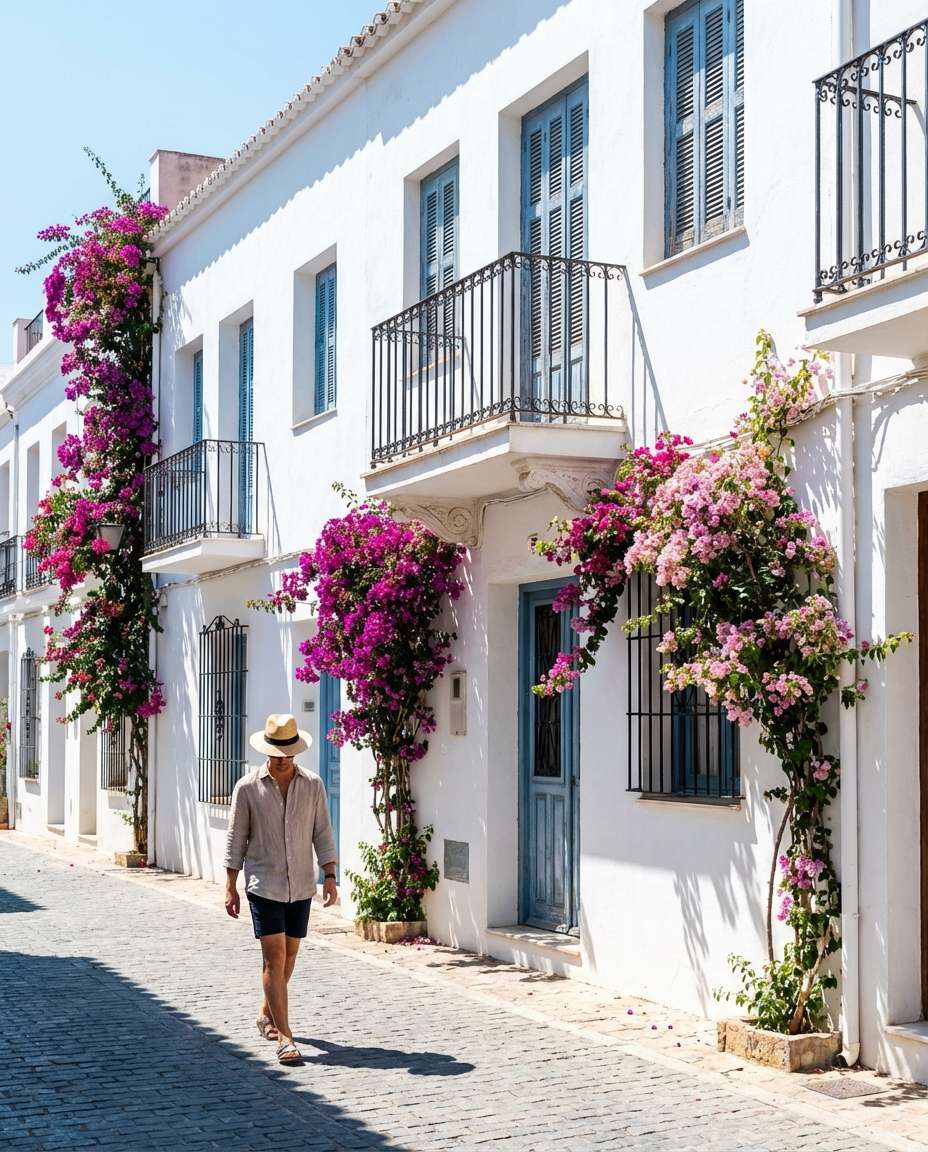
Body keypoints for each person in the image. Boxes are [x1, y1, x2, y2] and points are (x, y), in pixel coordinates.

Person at [224, 713, 338, 1064]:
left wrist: (330, 874)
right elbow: (236, 838)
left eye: (288, 754)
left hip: (301, 885)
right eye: (276, 754)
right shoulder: (247, 787)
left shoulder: (313, 784)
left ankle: (265, 1014)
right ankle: (285, 1038)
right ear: (267, 752)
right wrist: (231, 886)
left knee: (289, 959)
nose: (282, 760)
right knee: (273, 959)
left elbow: (322, 831)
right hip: (263, 883)